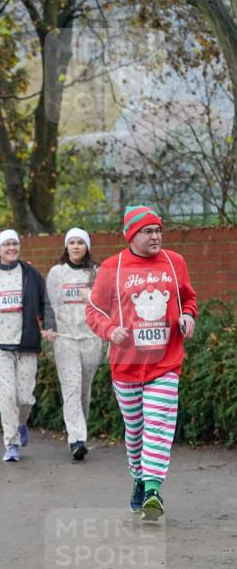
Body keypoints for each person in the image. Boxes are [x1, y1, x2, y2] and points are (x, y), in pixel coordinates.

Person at [86, 205, 196, 520]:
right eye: (148, 231)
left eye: (158, 230)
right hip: (127, 367)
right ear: (132, 235)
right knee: (135, 431)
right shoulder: (112, 267)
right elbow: (93, 310)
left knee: (158, 425)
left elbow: (188, 298)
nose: (155, 236)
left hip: (166, 363)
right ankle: (138, 476)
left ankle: (152, 489)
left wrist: (188, 316)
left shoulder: (175, 263)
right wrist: (110, 330)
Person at [0, 229, 55, 462]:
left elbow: (45, 302)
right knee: (6, 395)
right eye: (7, 245)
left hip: (26, 342)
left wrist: (49, 326)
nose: (12, 248)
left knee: (24, 397)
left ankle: (21, 423)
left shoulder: (31, 274)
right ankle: (11, 443)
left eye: (15, 244)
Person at [46, 227, 103, 460]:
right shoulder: (56, 273)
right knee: (71, 388)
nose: (76, 246)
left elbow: (106, 304)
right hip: (65, 339)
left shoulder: (96, 272)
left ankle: (80, 432)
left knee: (83, 390)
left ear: (87, 246)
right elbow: (48, 303)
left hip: (91, 338)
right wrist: (50, 328)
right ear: (66, 247)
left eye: (81, 242)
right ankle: (76, 439)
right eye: (72, 243)